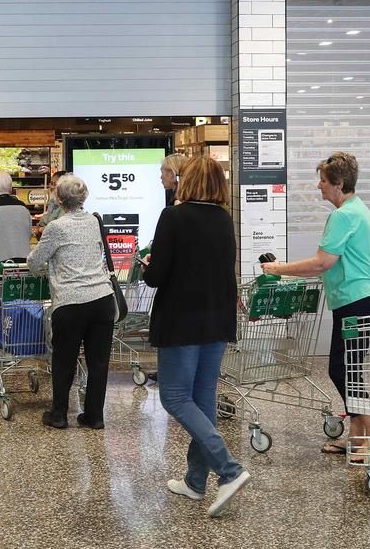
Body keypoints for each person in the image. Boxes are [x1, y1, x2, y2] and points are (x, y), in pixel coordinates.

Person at [146, 156, 251, 518]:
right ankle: (195, 481)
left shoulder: (173, 217)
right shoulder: (224, 218)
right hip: (217, 319)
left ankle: (229, 469)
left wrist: (149, 265)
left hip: (181, 320)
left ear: (185, 181)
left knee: (175, 397)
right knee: (202, 399)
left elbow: (156, 275)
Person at [262, 152, 370, 453]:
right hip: (365, 299)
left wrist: (278, 269)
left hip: (354, 302)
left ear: (338, 183)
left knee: (341, 369)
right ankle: (357, 440)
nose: (318, 186)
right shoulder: (361, 210)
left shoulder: (342, 216)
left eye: (322, 181)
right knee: (351, 367)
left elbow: (321, 263)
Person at [27, 174, 115, 431]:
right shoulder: (95, 222)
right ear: (83, 196)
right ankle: (94, 416)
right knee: (98, 362)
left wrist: (41, 268)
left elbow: (35, 261)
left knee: (64, 359)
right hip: (102, 299)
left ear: (58, 199)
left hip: (71, 301)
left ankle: (59, 414)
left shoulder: (56, 226)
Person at [36, 170, 70, 237]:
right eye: (51, 183)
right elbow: (43, 221)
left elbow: (57, 229)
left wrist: (41, 229)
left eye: (55, 184)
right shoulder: (52, 201)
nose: (51, 187)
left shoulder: (66, 206)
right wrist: (40, 227)